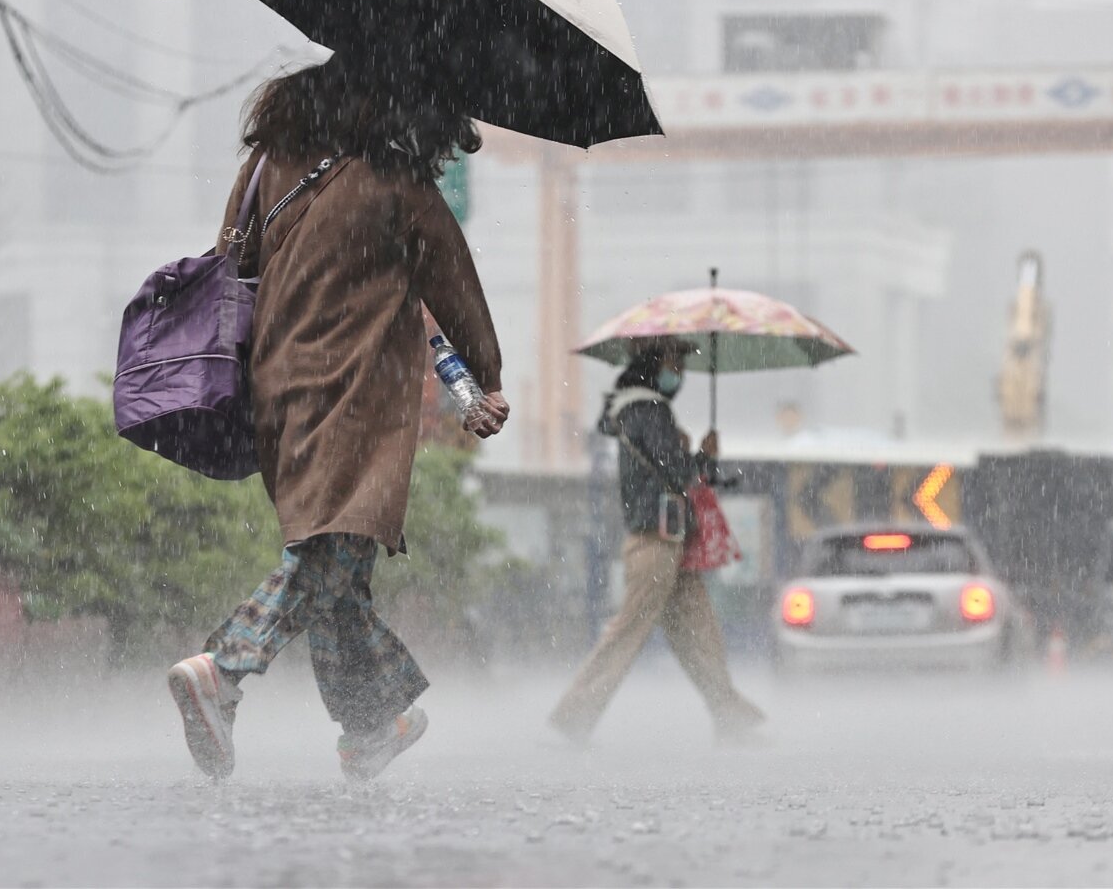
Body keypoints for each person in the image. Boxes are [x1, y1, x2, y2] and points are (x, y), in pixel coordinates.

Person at [167, 53, 509, 782]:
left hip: (275, 388)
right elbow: (458, 291)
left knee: (339, 567)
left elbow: (236, 260)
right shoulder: (400, 186)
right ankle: (222, 673)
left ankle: (369, 726)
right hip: (356, 396)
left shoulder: (268, 165)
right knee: (330, 551)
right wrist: (488, 379)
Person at [549, 341, 763, 743]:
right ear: (651, 364)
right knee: (629, 630)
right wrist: (702, 455)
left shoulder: (637, 410)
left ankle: (730, 714)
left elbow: (669, 465)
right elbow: (677, 469)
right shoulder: (647, 409)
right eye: (673, 363)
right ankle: (574, 715)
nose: (679, 372)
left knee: (699, 631)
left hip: (669, 539)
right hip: (655, 542)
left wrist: (692, 455)